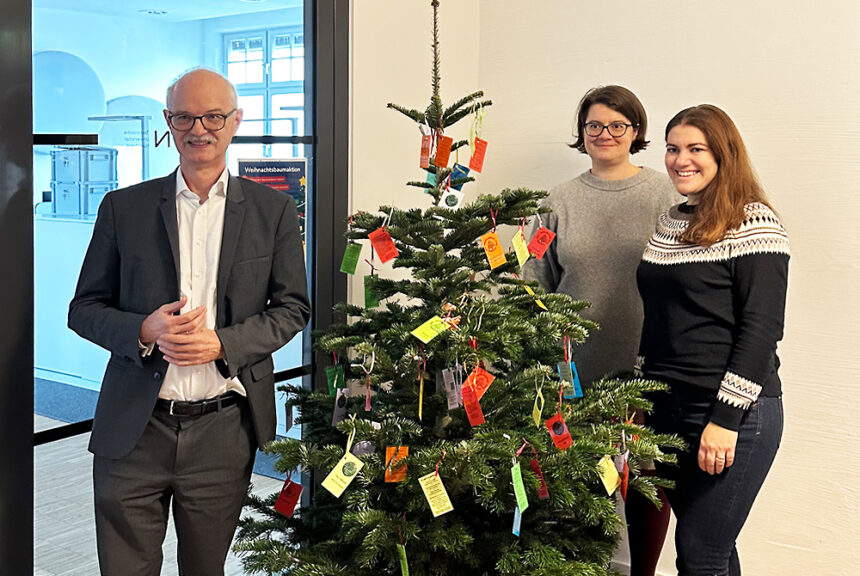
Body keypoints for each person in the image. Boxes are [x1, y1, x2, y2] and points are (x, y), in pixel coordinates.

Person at [68, 68, 311, 576]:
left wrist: (222, 343)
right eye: (184, 116)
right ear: (168, 122)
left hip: (223, 428)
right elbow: (84, 309)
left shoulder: (274, 211)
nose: (198, 128)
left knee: (204, 568)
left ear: (235, 121)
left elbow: (293, 308)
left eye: (213, 116)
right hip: (135, 427)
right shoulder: (123, 208)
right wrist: (143, 330)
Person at [524, 85, 675, 576]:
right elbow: (533, 285)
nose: (604, 134)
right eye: (594, 126)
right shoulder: (558, 201)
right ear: (581, 133)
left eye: (617, 125)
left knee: (647, 480)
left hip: (650, 368)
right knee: (582, 484)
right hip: (575, 375)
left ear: (637, 132)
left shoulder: (666, 193)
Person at [636, 104, 789, 575]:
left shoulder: (755, 223)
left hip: (733, 414)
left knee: (700, 551)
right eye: (673, 148)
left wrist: (724, 419)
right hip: (667, 408)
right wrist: (641, 399)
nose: (681, 159)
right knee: (713, 550)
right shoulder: (669, 222)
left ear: (724, 153)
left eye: (695, 149)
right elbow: (658, 321)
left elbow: (761, 331)